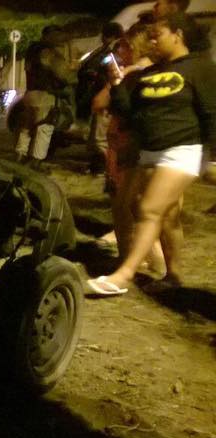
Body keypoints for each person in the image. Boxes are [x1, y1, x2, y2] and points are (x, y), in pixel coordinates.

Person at [88, 13, 216, 295]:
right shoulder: (149, 73)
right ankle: (173, 276)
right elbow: (129, 112)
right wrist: (117, 85)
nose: (153, 42)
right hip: (148, 151)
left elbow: (211, 112)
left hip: (182, 150)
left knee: (149, 209)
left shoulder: (200, 67)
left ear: (178, 35)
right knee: (161, 214)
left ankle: (123, 275)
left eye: (158, 36)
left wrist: (212, 157)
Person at [92, 22, 166, 274]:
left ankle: (131, 261)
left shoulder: (133, 74)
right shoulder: (160, 71)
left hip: (128, 143)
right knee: (138, 204)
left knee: (125, 205)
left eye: (125, 45)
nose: (120, 50)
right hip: (143, 143)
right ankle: (153, 261)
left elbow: (99, 103)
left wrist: (113, 82)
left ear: (137, 45)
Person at [14, 25, 77, 168]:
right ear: (51, 35)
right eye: (58, 36)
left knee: (27, 127)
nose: (60, 39)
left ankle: (20, 155)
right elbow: (62, 74)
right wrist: (72, 72)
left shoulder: (32, 50)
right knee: (45, 127)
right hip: (45, 94)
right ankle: (36, 162)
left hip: (30, 93)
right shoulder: (48, 51)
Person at [77, 22, 125, 175]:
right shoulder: (108, 50)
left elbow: (108, 65)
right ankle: (97, 165)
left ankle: (104, 167)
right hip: (102, 93)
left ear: (108, 35)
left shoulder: (114, 50)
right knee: (96, 136)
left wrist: (95, 71)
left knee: (100, 137)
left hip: (107, 94)